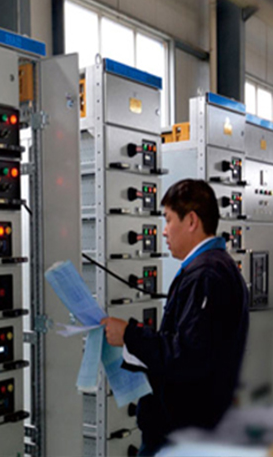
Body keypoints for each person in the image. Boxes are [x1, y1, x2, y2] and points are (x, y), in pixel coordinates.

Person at [101, 179, 249, 456]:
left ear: (191, 221)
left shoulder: (206, 274)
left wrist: (129, 335)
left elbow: (187, 356)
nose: (164, 231)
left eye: (168, 220)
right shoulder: (214, 267)